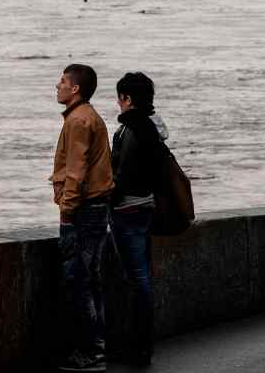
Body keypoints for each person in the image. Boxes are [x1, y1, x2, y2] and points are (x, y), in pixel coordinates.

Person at [50, 63, 114, 372]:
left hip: (83, 210)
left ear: (75, 89)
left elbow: (75, 173)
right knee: (92, 279)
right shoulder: (89, 117)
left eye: (62, 81)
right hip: (97, 208)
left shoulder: (78, 121)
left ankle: (89, 352)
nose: (57, 86)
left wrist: (66, 212)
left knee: (78, 280)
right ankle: (99, 347)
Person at [108, 71, 170, 367]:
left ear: (127, 98)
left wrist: (110, 196)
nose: (118, 104)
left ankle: (139, 346)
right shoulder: (154, 128)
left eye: (120, 98)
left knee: (138, 280)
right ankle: (142, 343)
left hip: (128, 210)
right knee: (142, 277)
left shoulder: (132, 129)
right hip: (146, 207)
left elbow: (124, 174)